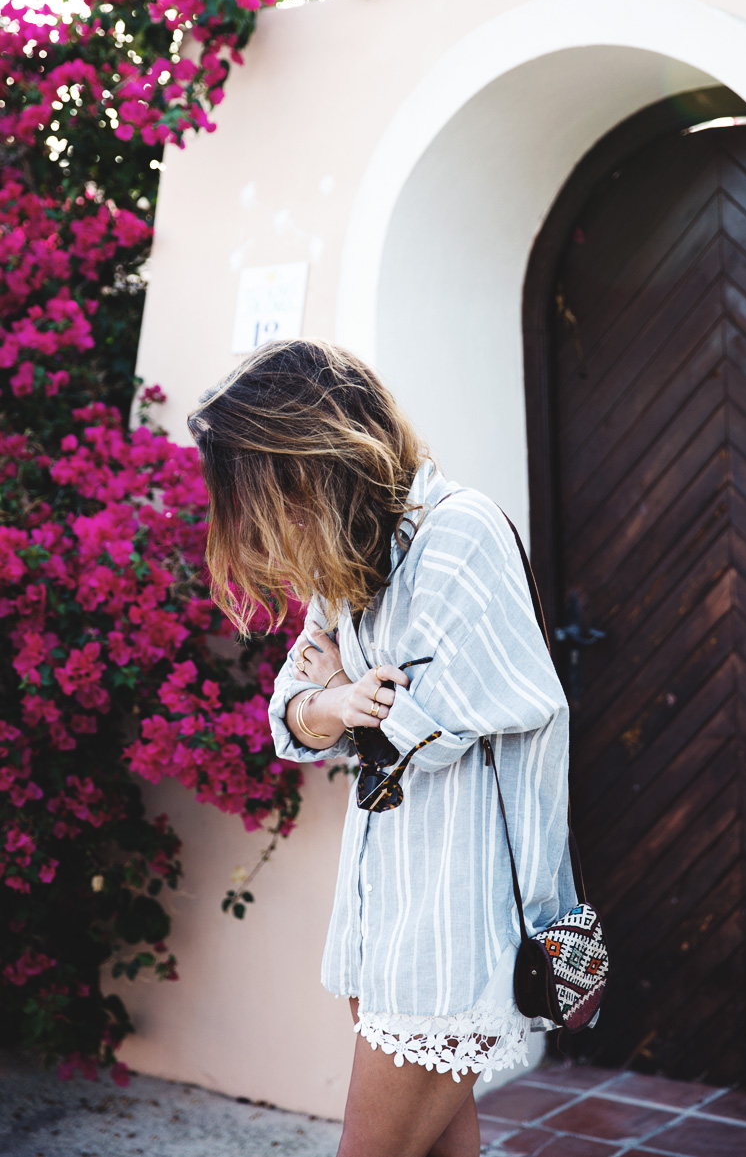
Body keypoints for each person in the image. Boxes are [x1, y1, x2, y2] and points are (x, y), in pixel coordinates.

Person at [187, 338, 578, 1157]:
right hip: (383, 921)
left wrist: (341, 696)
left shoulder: (459, 532)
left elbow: (419, 732)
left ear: (313, 458)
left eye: (268, 491)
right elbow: (288, 719)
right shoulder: (345, 566)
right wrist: (334, 697)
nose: (269, 523)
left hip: (461, 932)